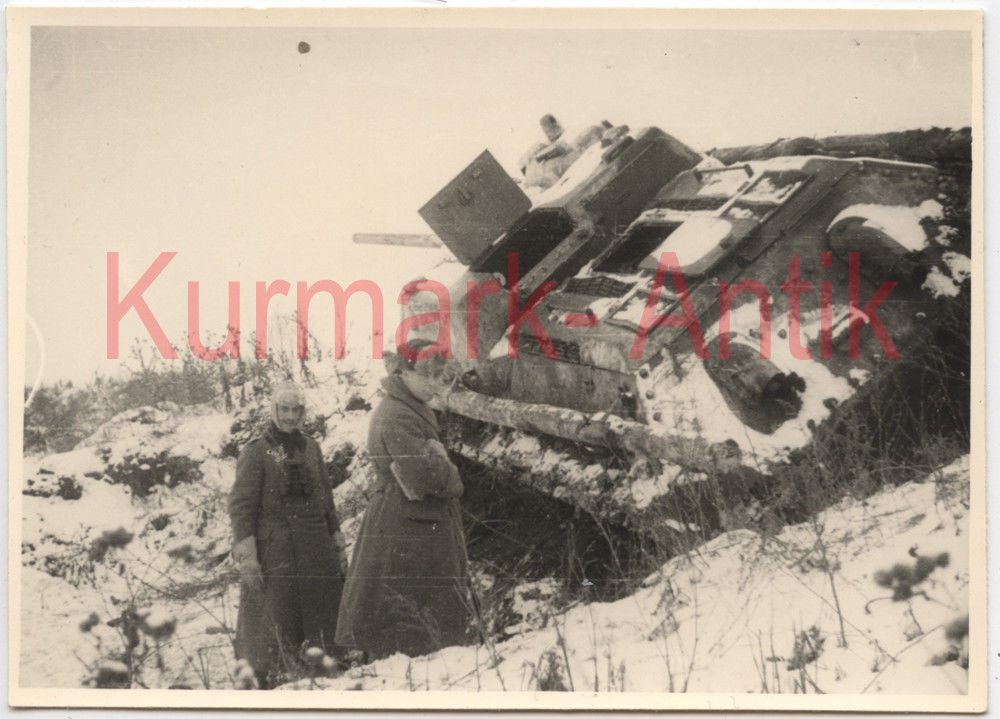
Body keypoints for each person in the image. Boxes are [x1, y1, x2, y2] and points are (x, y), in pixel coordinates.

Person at [335, 345, 470, 660]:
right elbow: (420, 476)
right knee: (404, 613)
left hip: (414, 519)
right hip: (406, 522)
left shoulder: (408, 406)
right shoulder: (397, 413)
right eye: (425, 375)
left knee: (416, 610)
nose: (433, 383)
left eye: (437, 376)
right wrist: (452, 475)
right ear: (403, 372)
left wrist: (438, 460)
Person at [228, 382, 348, 688]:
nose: (290, 416)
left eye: (296, 410)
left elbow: (326, 498)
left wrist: (336, 541)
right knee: (273, 618)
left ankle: (324, 663)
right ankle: (271, 673)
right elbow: (241, 508)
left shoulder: (312, 447)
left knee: (320, 611)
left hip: (316, 548)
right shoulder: (256, 452)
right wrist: (248, 558)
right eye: (284, 409)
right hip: (276, 551)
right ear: (274, 410)